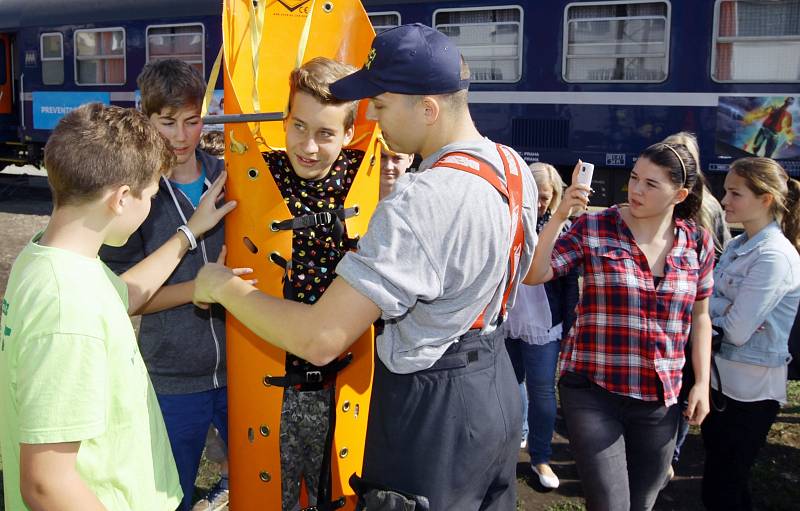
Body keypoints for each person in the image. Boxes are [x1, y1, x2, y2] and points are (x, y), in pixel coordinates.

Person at [192, 23, 538, 510]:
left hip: (431, 409)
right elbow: (534, 268)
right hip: (496, 391)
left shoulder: (422, 199)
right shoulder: (510, 167)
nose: (374, 117)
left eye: (381, 104)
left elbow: (320, 339)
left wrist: (225, 289)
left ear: (428, 108)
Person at [0, 103, 234, 511]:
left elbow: (121, 296)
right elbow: (45, 483)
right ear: (122, 198)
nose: (151, 204)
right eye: (151, 194)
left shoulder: (51, 256)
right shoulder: (67, 310)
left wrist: (188, 234)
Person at [524, 142, 715, 511]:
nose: (636, 190)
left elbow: (700, 315)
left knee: (642, 502)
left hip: (660, 400)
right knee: (609, 504)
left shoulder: (697, 243)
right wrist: (562, 213)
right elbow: (535, 273)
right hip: (592, 390)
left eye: (650, 184)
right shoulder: (595, 225)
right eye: (633, 178)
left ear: (680, 194)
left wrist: (703, 384)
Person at [100, 59, 230, 511]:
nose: (180, 136)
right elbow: (123, 296)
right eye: (167, 122)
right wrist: (201, 289)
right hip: (172, 377)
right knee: (167, 493)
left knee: (260, 484)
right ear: (145, 117)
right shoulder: (136, 194)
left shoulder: (230, 175)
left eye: (192, 122)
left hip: (244, 370)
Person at [259, 56, 364, 511]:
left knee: (335, 494)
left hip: (343, 385)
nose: (309, 145)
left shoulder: (364, 179)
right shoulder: (259, 176)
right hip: (270, 382)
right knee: (274, 494)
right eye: (299, 127)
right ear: (284, 121)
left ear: (347, 135)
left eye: (325, 133)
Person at [701, 157, 800, 511]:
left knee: (724, 486)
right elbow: (710, 302)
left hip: (751, 392)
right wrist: (718, 307)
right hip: (724, 383)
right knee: (721, 482)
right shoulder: (738, 244)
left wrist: (710, 309)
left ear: (766, 199)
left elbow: (737, 330)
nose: (724, 200)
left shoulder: (775, 256)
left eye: (734, 193)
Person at [505, 162, 579, 489]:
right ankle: (516, 436)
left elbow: (569, 285)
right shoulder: (507, 221)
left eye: (546, 197)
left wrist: (571, 327)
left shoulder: (561, 231)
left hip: (544, 323)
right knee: (511, 385)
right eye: (534, 195)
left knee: (542, 390)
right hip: (506, 318)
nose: (539, 204)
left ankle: (541, 456)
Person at [661, 132, 730, 475]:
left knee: (686, 380)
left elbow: (717, 255)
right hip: (678, 310)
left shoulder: (708, 208)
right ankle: (670, 452)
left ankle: (671, 453)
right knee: (683, 380)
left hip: (691, 307)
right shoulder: (713, 205)